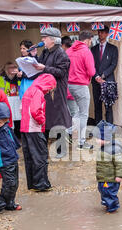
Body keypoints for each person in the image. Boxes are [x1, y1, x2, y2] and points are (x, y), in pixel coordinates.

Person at [33, 27, 71, 159]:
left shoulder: (61, 54)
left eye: (45, 37)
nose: (42, 40)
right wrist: (33, 58)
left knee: (59, 119)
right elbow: (40, 65)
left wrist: (45, 68)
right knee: (46, 118)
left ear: (53, 40)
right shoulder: (46, 52)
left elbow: (61, 72)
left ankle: (61, 149)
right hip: (46, 90)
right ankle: (43, 149)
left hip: (57, 90)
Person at [21, 73, 56, 192]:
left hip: (25, 128)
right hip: (34, 128)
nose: (50, 91)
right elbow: (36, 110)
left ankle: (33, 183)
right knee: (40, 156)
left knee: (30, 156)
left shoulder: (30, 90)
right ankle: (41, 183)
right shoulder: (38, 92)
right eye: (51, 88)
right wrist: (42, 120)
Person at [66, 31, 96, 150]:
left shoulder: (69, 51)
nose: (90, 43)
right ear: (87, 40)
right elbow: (91, 72)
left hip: (69, 85)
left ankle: (72, 134)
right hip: (81, 85)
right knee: (83, 114)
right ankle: (79, 141)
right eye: (90, 41)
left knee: (78, 113)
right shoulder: (86, 51)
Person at [91, 26, 118, 124]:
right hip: (96, 81)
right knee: (97, 106)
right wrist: (97, 76)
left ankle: (109, 127)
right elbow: (91, 65)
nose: (100, 34)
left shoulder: (113, 48)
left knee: (108, 106)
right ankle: (98, 127)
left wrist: (103, 75)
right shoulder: (93, 49)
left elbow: (113, 64)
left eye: (102, 32)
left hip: (108, 81)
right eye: (99, 32)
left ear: (107, 34)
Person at [95, 120, 122, 213]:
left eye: (99, 138)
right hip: (104, 176)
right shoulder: (103, 147)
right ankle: (107, 204)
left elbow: (119, 163)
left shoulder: (114, 149)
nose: (96, 140)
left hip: (110, 178)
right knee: (103, 190)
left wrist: (119, 176)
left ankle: (112, 209)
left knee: (109, 193)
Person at [0, 62, 22, 138]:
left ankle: (19, 135)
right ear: (6, 69)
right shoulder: (1, 78)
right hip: (7, 100)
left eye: (14, 67)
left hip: (18, 100)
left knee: (19, 117)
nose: (13, 69)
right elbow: (0, 91)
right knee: (9, 117)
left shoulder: (20, 77)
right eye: (11, 67)